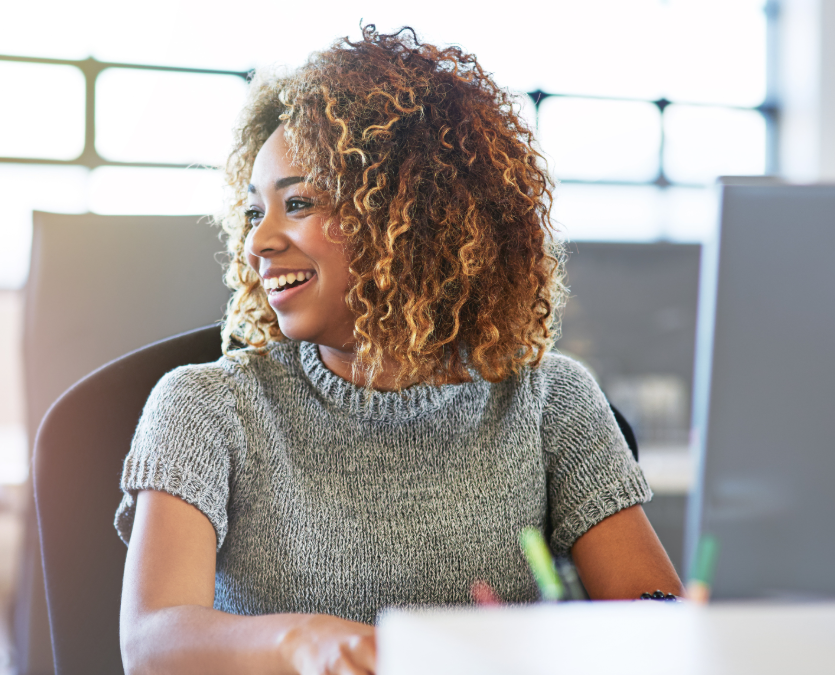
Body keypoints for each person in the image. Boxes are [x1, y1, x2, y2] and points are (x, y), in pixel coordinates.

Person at [114, 26, 682, 675]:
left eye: (297, 202)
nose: (258, 243)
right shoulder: (208, 405)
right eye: (253, 213)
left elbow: (652, 614)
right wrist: (300, 641)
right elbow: (152, 641)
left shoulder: (552, 399)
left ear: (406, 214)